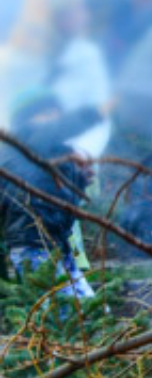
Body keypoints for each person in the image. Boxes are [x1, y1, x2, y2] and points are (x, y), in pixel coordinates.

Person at [0, 89, 101, 299]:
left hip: (57, 243)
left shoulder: (54, 151)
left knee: (87, 311)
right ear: (26, 119)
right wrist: (101, 110)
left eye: (55, 112)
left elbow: (64, 201)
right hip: (33, 245)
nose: (54, 117)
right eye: (45, 113)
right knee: (63, 314)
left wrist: (79, 180)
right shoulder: (25, 140)